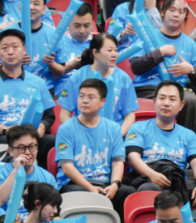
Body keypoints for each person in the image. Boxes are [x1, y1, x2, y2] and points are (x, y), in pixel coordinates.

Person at [126, 80, 196, 223]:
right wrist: (152, 174)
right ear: (154, 102)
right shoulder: (139, 128)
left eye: (172, 99)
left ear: (181, 105)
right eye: (162, 98)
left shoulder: (188, 134)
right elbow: (133, 157)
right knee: (148, 189)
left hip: (179, 185)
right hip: (151, 180)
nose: (166, 103)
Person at [55, 78, 136, 222]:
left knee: (128, 193)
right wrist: (89, 187)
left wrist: (115, 184)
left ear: (102, 102)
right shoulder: (66, 129)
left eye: (90, 97)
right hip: (76, 185)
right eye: (81, 96)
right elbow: (67, 167)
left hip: (105, 184)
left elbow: (117, 162)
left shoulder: (113, 128)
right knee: (79, 194)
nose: (84, 101)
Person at [130, 0, 196, 142]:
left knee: (190, 100)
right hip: (148, 89)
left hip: (176, 91)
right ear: (162, 12)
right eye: (172, 10)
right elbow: (136, 66)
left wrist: (190, 70)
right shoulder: (148, 37)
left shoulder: (190, 44)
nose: (176, 14)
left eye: (181, 11)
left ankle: (192, 151)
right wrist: (160, 53)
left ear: (185, 16)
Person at [0, 29, 57, 169]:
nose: (10, 52)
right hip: (4, 136)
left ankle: (42, 178)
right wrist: (4, 129)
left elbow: (49, 115)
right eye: (5, 48)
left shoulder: (38, 82)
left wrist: (41, 128)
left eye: (15, 47)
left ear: (24, 50)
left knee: (51, 141)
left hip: (33, 135)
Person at [58, 33, 138, 136]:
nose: (114, 54)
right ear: (95, 53)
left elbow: (130, 115)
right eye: (109, 50)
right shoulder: (78, 76)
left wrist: (118, 135)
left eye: (116, 50)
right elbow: (64, 114)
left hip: (113, 135)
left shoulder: (124, 78)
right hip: (83, 135)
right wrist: (77, 134)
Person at [0, 0, 56, 89]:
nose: (31, 7)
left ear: (44, 9)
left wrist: (52, 65)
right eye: (27, 3)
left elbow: (60, 73)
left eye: (36, 4)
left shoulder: (53, 34)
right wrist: (14, 64)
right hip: (10, 87)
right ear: (20, 7)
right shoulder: (4, 34)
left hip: (45, 88)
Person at [0, 125, 57, 220]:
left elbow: (54, 212)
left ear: (37, 148)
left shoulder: (48, 177)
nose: (27, 152)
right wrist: (16, 171)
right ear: (10, 151)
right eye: (21, 147)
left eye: (31, 147)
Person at [46, 1, 94, 97]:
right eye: (77, 26)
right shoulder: (56, 43)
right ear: (68, 23)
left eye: (87, 26)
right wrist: (72, 65)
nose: (82, 31)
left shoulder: (99, 45)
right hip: (61, 97)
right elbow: (51, 77)